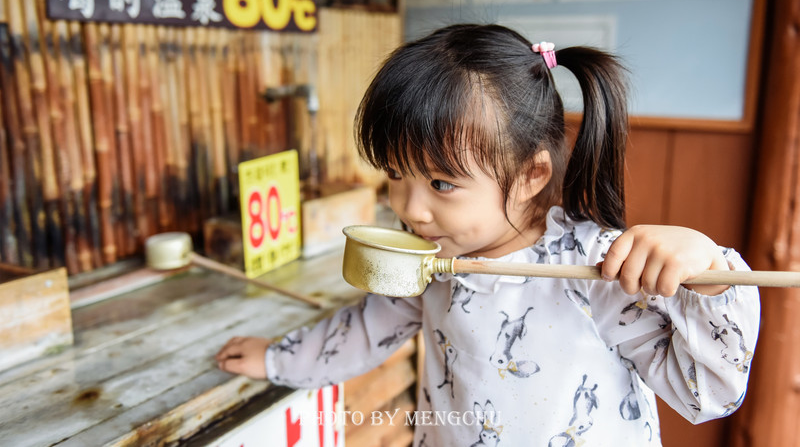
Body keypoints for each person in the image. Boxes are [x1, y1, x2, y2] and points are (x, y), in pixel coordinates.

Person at [216, 24, 760, 445]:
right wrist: (278, 358)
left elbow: (705, 393)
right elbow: (364, 328)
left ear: (531, 176)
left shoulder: (597, 268)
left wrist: (711, 277)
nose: (411, 209)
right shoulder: (431, 263)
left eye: (441, 182)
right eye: (394, 176)